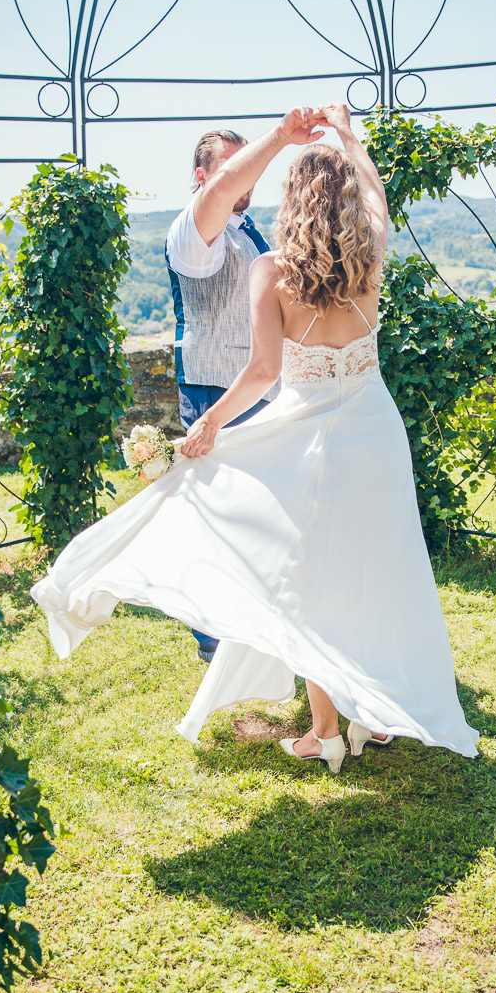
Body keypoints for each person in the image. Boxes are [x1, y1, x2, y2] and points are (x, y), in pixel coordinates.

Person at [32, 103, 479, 770]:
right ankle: (371, 717)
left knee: (309, 581)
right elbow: (376, 193)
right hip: (374, 435)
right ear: (349, 202)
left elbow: (265, 369)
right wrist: (350, 138)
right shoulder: (372, 255)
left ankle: (327, 732)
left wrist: (210, 422)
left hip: (302, 441)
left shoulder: (269, 271)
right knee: (373, 571)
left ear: (293, 202)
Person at [165, 111, 323, 662]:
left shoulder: (246, 227)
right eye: (233, 168)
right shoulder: (193, 227)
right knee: (218, 520)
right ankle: (217, 649)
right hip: (216, 389)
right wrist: (281, 136)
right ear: (203, 177)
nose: (246, 180)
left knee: (260, 517)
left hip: (263, 389)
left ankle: (259, 636)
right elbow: (229, 186)